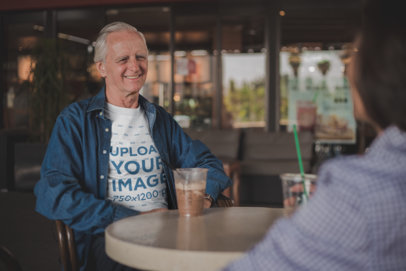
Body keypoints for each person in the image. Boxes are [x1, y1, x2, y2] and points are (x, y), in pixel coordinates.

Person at [34, 21, 231, 271]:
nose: (134, 66)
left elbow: (208, 164)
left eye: (140, 57)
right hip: (109, 238)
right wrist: (130, 220)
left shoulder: (160, 119)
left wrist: (202, 196)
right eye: (123, 59)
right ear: (102, 68)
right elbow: (52, 193)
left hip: (169, 233)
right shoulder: (75, 121)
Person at [224, 0, 406, 270]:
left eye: (357, 50)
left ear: (382, 71)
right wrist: (320, 218)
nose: (347, 68)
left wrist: (322, 216)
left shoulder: (359, 188)